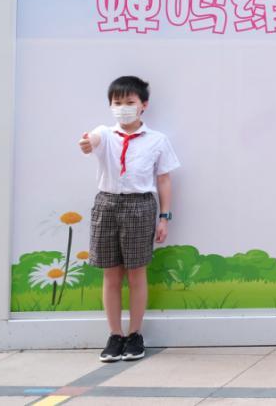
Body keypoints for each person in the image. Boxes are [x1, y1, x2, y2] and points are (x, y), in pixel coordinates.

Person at [78, 76, 179, 363]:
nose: (123, 107)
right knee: (111, 273)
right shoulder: (105, 134)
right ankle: (115, 335)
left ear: (143, 105)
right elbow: (91, 140)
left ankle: (135, 334)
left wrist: (164, 217)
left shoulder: (157, 140)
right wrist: (87, 143)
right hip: (107, 203)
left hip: (140, 205)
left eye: (130, 102)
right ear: (110, 105)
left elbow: (164, 179)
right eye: (117, 102)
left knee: (136, 272)